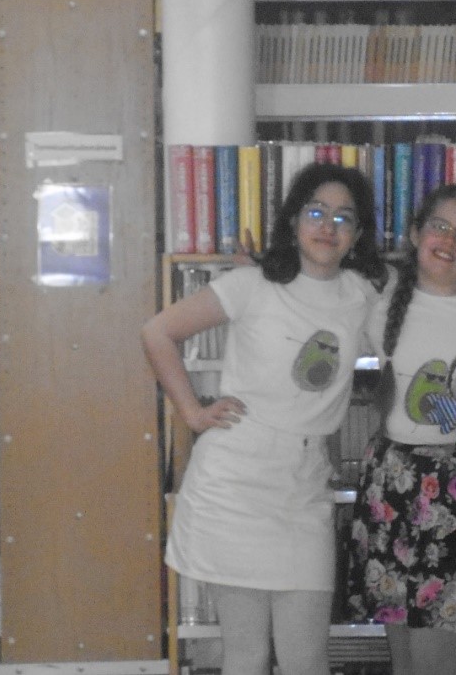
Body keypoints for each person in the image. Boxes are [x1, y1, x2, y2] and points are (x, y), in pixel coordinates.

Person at [142, 162, 387, 675]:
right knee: (247, 655)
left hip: (305, 489)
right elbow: (158, 332)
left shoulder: (361, 293)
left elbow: (435, 294)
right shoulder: (250, 283)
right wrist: (192, 412)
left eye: (343, 217)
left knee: (307, 660)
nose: (328, 226)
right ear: (293, 220)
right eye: (316, 212)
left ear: (358, 233)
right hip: (234, 485)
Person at [347, 184, 456, 675]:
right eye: (439, 227)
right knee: (403, 652)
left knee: (436, 655)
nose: (449, 241)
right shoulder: (379, 302)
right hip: (392, 483)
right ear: (415, 233)